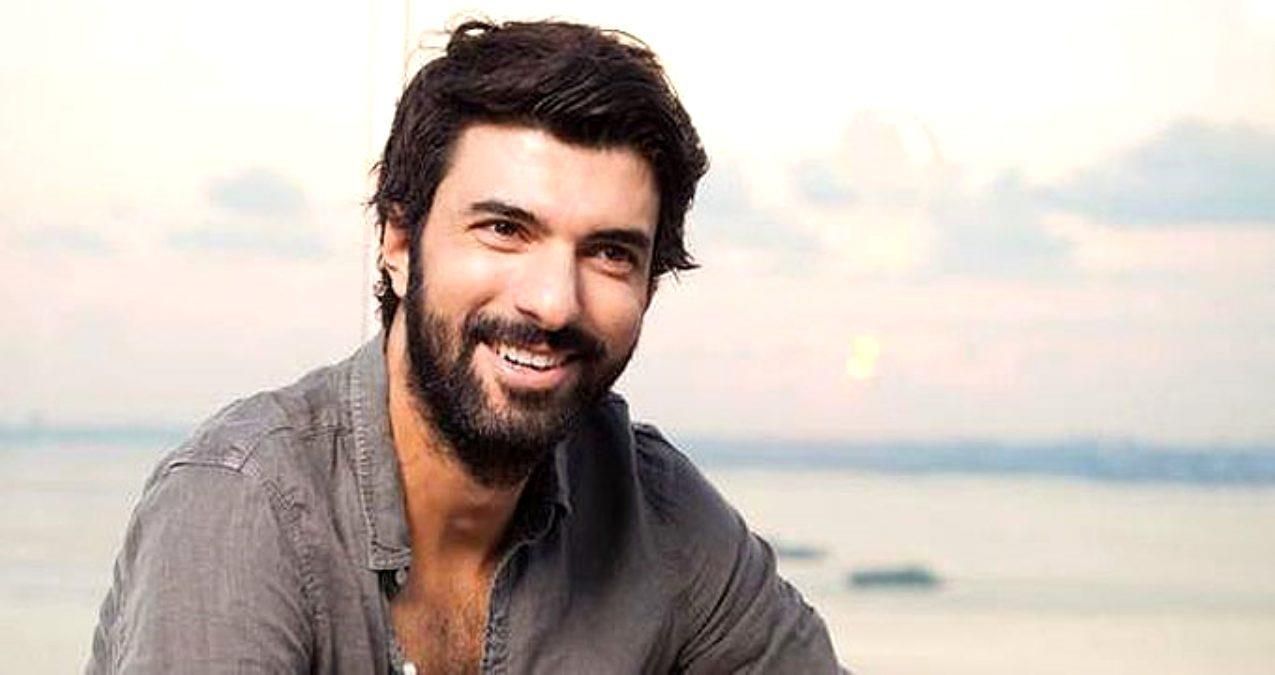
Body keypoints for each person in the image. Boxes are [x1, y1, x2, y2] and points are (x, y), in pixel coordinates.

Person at [88, 19, 843, 674]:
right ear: (398, 240)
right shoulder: (241, 504)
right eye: (504, 229)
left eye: (610, 253)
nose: (553, 302)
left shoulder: (657, 511)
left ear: (649, 284)